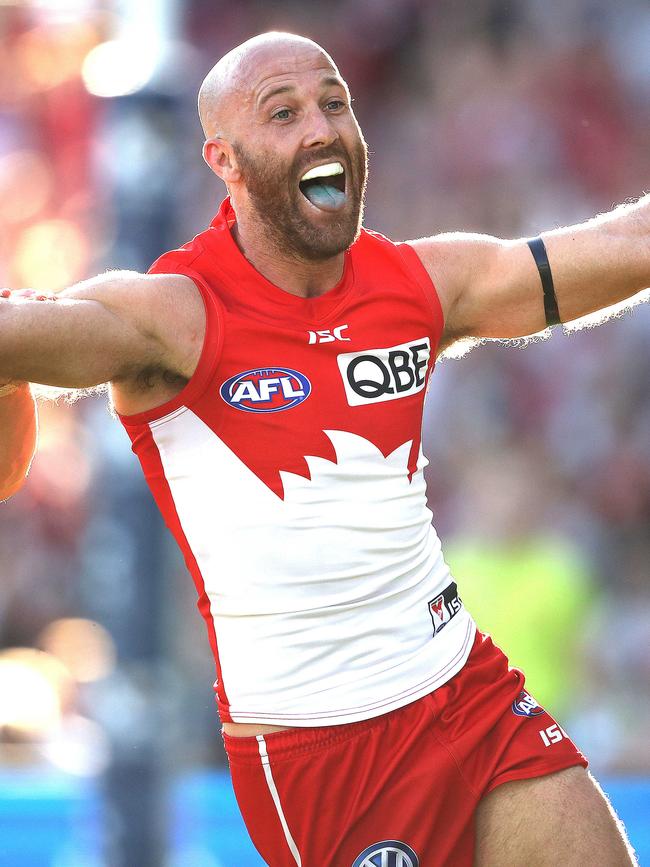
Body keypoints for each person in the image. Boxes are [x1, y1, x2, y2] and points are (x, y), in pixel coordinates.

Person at [0, 31, 647, 866]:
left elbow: (623, 245)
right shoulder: (175, 314)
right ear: (224, 161)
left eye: (334, 102)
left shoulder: (417, 282)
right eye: (284, 112)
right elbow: (21, 372)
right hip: (324, 754)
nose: (321, 126)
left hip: (467, 692)